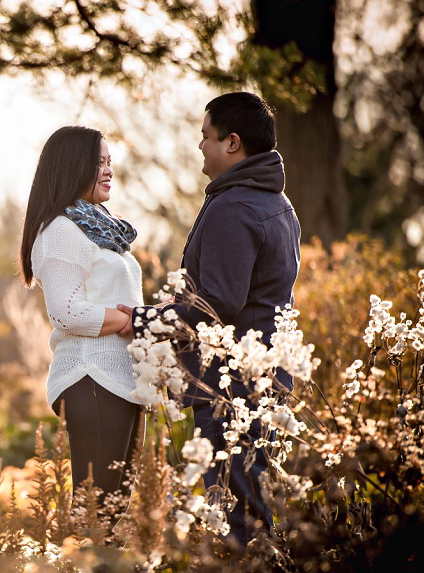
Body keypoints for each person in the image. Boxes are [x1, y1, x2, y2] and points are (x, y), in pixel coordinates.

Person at [121, 92, 301, 544]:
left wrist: (141, 321)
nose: (199, 146)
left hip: (232, 386)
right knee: (255, 507)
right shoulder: (277, 204)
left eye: (205, 136)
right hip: (265, 378)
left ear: (232, 143)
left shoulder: (233, 208)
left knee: (239, 517)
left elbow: (216, 305)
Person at [19, 125, 145, 525]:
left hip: (120, 381)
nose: (108, 171)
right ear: (73, 166)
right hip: (91, 378)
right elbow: (67, 311)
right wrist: (131, 320)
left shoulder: (101, 229)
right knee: (96, 513)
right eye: (98, 163)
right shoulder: (60, 230)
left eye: (109, 162)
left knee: (113, 513)